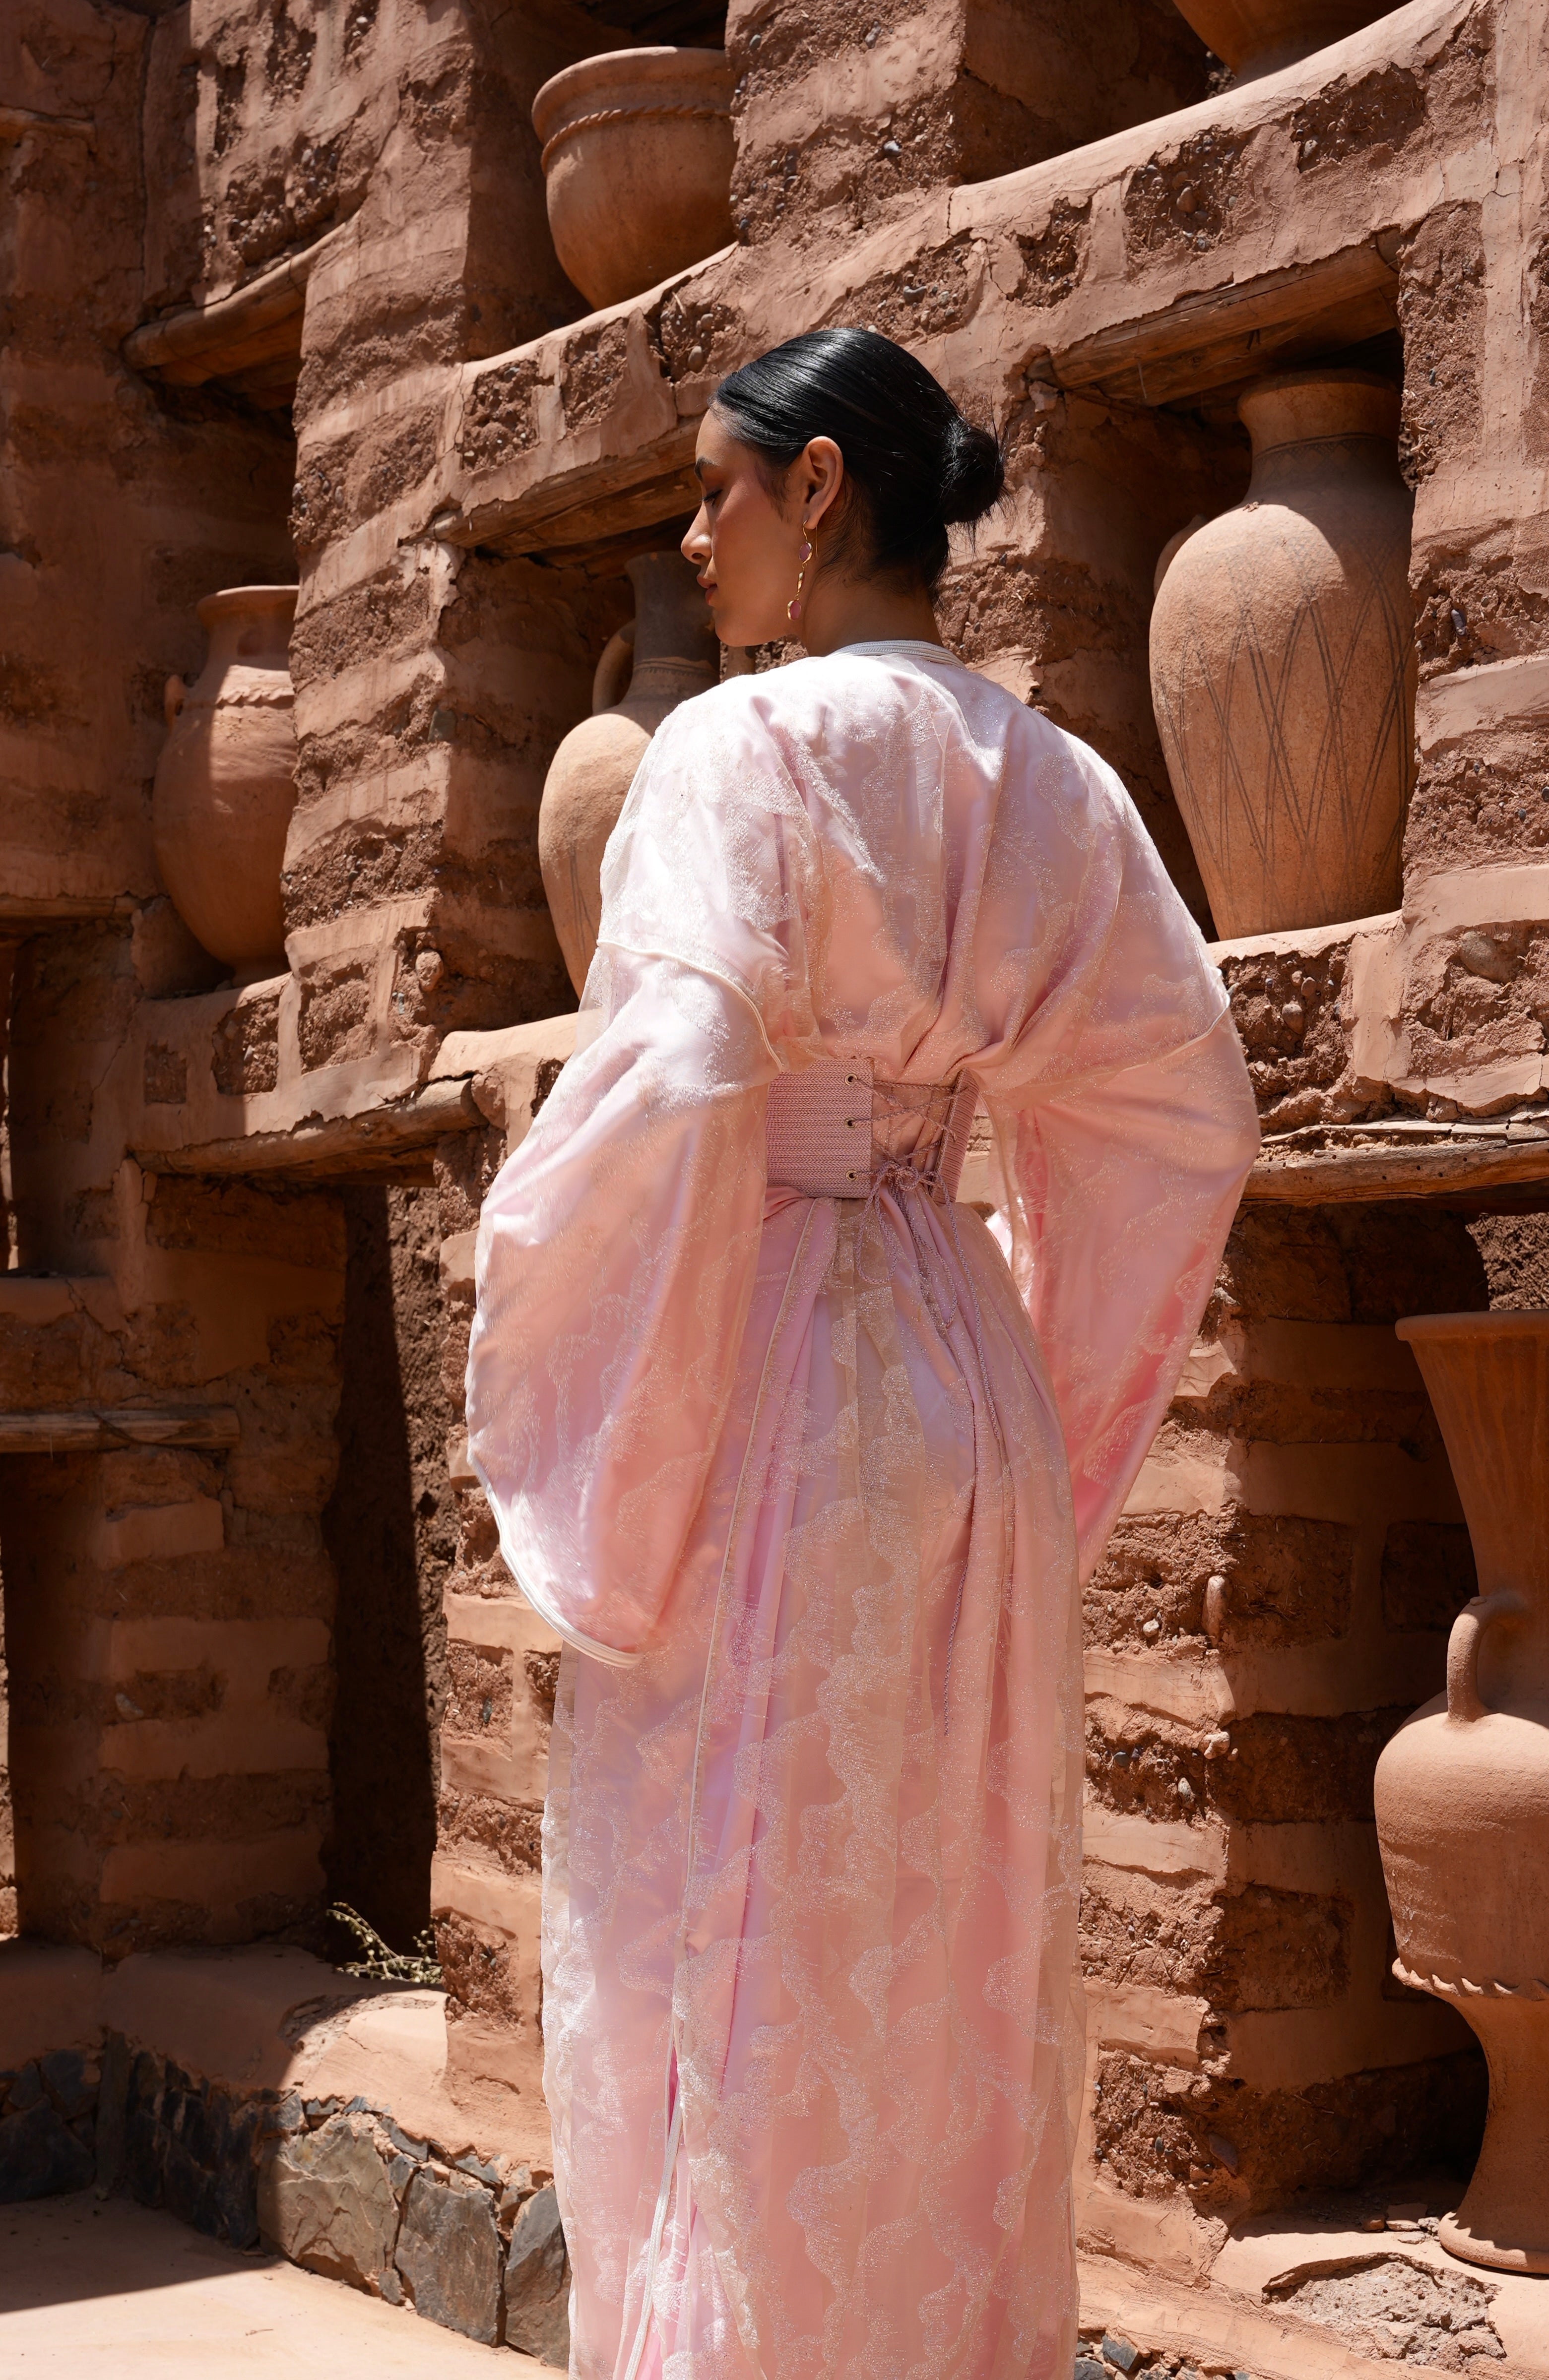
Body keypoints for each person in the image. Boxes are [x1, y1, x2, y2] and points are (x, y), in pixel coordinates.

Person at [465, 328, 1259, 2380]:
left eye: (713, 490)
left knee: (731, 1946)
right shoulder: (1048, 775)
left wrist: (541, 1261)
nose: (692, 535)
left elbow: (680, 1063)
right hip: (961, 1385)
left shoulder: (736, 749)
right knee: (935, 1955)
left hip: (781, 1386)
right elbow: (1188, 1108)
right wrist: (1045, 1386)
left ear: (817, 488)